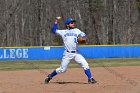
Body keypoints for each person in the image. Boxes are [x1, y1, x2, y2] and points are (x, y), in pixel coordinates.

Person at [45, 17, 97, 84]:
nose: (73, 23)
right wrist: (56, 21)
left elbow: (84, 36)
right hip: (67, 54)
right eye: (71, 22)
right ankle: (50, 76)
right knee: (62, 70)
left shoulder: (76, 30)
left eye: (73, 22)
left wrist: (84, 39)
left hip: (76, 53)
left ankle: (90, 79)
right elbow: (53, 30)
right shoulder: (63, 32)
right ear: (67, 24)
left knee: (85, 64)